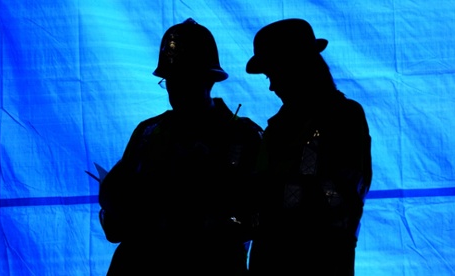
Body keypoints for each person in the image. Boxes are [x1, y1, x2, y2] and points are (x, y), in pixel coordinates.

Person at [98, 18, 263, 275]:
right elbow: (114, 223)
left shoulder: (243, 136)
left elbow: (258, 216)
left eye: (186, 79)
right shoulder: (148, 133)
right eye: (170, 80)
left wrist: (207, 221)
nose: (175, 89)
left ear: (208, 80)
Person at [245, 18, 373, 275]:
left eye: (274, 74)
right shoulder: (277, 127)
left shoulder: (344, 117)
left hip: (320, 261)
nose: (271, 86)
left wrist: (273, 193)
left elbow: (340, 199)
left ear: (298, 67)